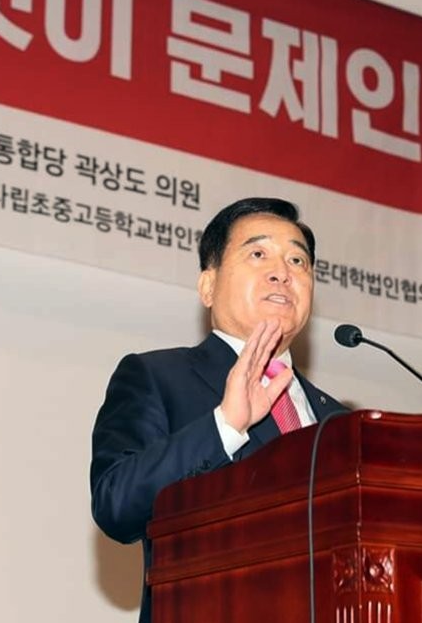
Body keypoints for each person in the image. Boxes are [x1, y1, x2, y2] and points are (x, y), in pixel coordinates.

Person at [90, 197, 346, 622]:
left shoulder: (339, 421)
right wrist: (225, 425)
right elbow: (116, 505)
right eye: (258, 254)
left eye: (298, 261)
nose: (282, 272)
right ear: (208, 287)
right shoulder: (158, 376)